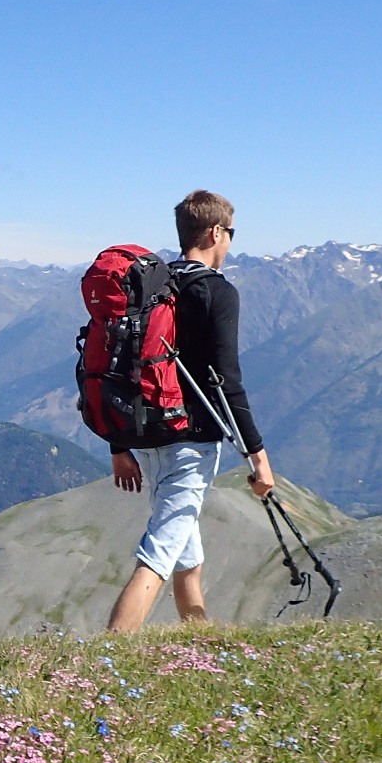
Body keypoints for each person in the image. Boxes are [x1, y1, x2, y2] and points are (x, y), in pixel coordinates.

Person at [105, 189, 275, 633]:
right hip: (190, 440)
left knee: (187, 553)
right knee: (159, 555)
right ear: (217, 232)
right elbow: (228, 383)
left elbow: (119, 365)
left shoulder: (153, 285)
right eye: (231, 233)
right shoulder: (216, 292)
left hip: (146, 434)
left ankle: (198, 641)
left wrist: (119, 445)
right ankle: (107, 660)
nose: (231, 242)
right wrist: (259, 459)